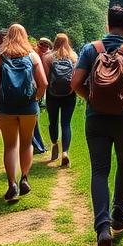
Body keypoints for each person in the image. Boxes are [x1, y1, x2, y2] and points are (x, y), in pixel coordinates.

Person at [71, 5, 123, 246]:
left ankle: (102, 229)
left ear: (107, 25)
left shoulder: (90, 49)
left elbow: (75, 84)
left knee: (99, 170)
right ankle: (119, 214)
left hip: (95, 118)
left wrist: (93, 99)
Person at [0, 24, 47, 201]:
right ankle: (24, 178)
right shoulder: (33, 56)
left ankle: (11, 183)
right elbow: (44, 83)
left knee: (10, 145)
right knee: (26, 143)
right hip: (28, 107)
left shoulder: (0, 57)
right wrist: (36, 98)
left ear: (7, 37)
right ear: (25, 36)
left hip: (6, 108)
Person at [42, 32, 78, 168]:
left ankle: (55, 144)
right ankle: (65, 152)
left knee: (53, 122)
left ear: (55, 42)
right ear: (67, 42)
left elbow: (45, 78)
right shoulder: (74, 57)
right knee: (66, 124)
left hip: (52, 95)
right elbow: (76, 77)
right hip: (69, 95)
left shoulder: (48, 57)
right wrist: (72, 90)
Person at [32, 36, 53, 154]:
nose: (44, 47)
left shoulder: (43, 57)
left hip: (38, 91)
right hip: (34, 91)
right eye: (42, 45)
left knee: (35, 120)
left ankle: (38, 145)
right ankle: (37, 145)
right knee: (33, 120)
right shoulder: (35, 57)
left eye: (46, 46)